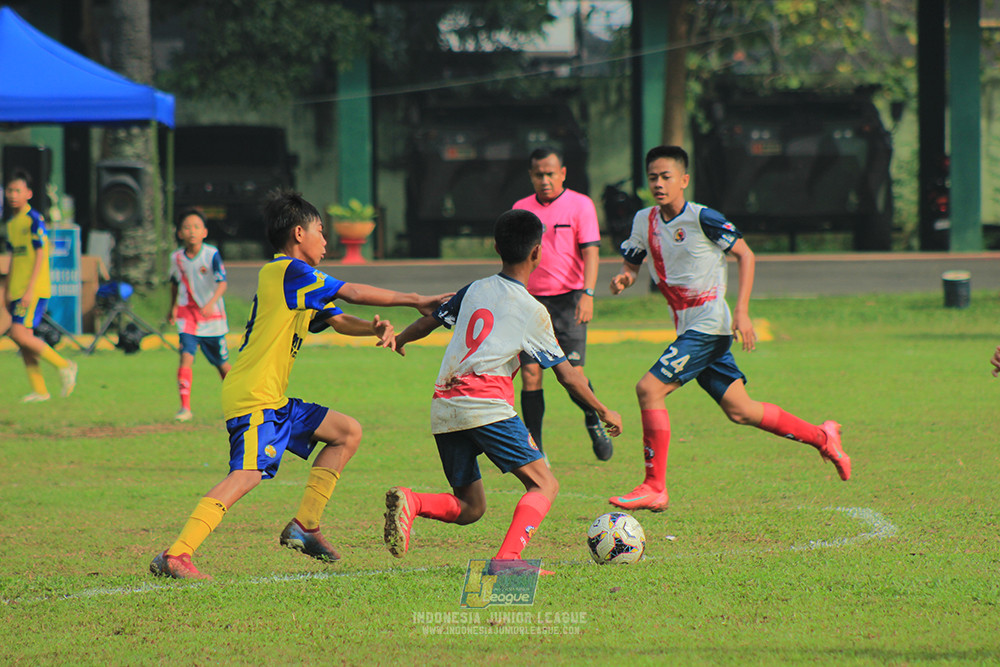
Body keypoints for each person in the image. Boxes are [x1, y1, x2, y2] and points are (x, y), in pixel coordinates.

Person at [150, 189, 449, 580]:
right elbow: (353, 291)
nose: (326, 241)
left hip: (272, 398)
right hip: (254, 396)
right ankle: (178, 553)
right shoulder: (287, 271)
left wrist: (372, 328)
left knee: (346, 432)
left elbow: (338, 318)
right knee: (246, 475)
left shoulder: (297, 281)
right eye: (320, 232)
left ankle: (305, 527)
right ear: (298, 234)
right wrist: (416, 299)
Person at [607, 146, 850, 513]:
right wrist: (626, 278)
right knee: (741, 410)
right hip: (687, 325)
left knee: (648, 389)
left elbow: (746, 254)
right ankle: (823, 437)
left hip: (709, 324)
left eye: (666, 176)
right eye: (653, 177)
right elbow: (633, 262)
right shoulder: (644, 221)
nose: (658, 183)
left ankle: (655, 486)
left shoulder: (704, 218)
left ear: (683, 180)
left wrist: (742, 311)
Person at [382, 209, 623, 574]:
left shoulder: (474, 288)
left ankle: (414, 502)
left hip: (444, 407)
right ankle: (507, 560)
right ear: (537, 253)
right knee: (545, 484)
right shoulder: (532, 310)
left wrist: (400, 338)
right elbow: (569, 377)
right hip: (485, 406)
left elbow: (430, 320)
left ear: (495, 247)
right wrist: (604, 411)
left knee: (471, 508)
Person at [512, 147, 612, 461]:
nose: (545, 180)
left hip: (570, 300)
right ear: (531, 176)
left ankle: (593, 419)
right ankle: (535, 448)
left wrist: (588, 293)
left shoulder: (581, 205)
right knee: (530, 374)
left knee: (574, 375)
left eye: (550, 174)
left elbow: (591, 252)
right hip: (531, 302)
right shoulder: (521, 209)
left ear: (563, 173)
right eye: (539, 174)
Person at [2, 169, 77, 403]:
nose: (12, 195)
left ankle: (65, 365)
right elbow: (15, 256)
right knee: (22, 339)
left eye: (17, 190)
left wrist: (30, 288)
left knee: (17, 333)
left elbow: (41, 253)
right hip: (17, 289)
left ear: (29, 193)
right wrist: (7, 289)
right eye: (9, 190)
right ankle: (40, 390)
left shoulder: (34, 219)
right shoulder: (12, 223)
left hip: (33, 290)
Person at [167, 209, 231, 421]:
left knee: (222, 364)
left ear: (204, 231)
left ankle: (239, 403)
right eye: (187, 227)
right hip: (188, 316)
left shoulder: (211, 254)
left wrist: (212, 303)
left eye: (196, 227)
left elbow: (222, 283)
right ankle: (185, 408)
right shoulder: (176, 258)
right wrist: (172, 308)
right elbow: (175, 284)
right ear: (179, 233)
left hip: (213, 319)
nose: (191, 231)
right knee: (186, 357)